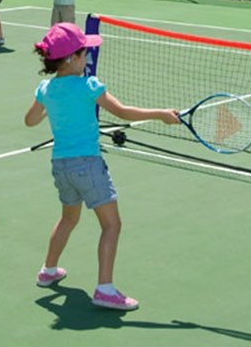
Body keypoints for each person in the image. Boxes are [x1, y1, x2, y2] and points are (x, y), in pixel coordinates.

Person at [24, 23, 179, 311]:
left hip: (61, 166)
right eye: (85, 54)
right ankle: (105, 290)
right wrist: (160, 114)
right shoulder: (88, 86)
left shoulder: (45, 88)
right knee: (111, 224)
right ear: (72, 58)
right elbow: (121, 112)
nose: (88, 59)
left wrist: (51, 103)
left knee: (68, 218)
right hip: (88, 165)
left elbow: (30, 121)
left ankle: (48, 271)